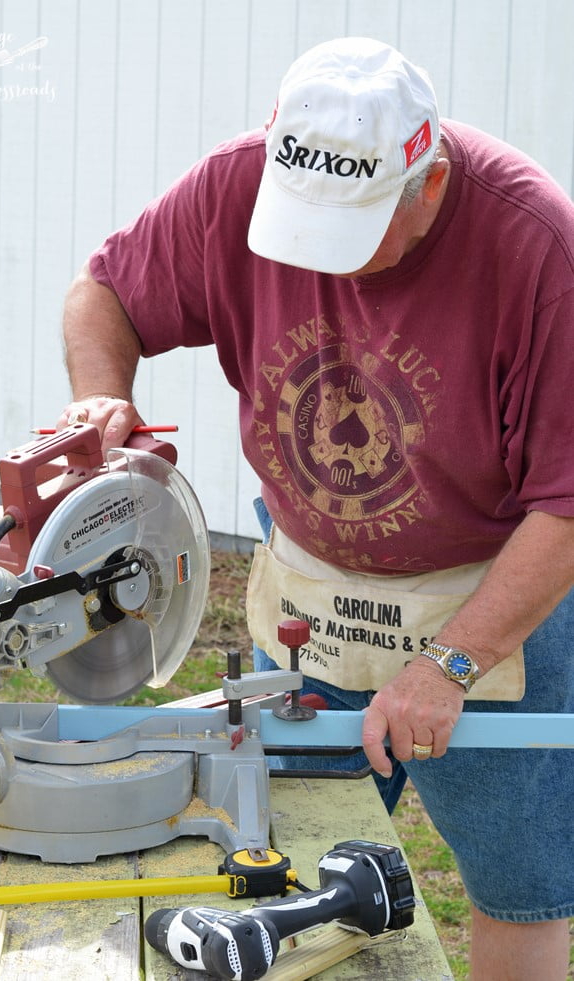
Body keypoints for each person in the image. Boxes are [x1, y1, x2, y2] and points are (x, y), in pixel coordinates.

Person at [57, 37, 574, 979]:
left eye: (354, 232)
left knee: (520, 883)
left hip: (493, 602)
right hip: (310, 591)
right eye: (304, 229)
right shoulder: (236, 184)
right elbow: (105, 294)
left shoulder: (537, 246)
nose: (323, 268)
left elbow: (567, 505)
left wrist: (452, 660)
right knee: (276, 858)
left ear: (428, 182)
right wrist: (102, 397)